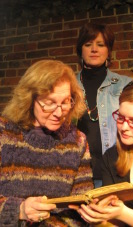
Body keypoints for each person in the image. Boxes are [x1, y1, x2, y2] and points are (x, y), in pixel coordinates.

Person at [0, 59, 94, 227]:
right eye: (49, 103)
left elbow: (78, 209)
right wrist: (19, 210)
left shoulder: (77, 141)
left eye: (65, 102)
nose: (59, 113)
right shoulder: (4, 133)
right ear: (30, 99)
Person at [72, 80, 133, 227]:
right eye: (121, 117)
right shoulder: (111, 157)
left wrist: (123, 213)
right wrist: (98, 216)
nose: (124, 127)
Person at [76, 22, 132, 188]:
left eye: (100, 45)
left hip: (114, 171)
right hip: (77, 173)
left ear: (108, 51)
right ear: (80, 50)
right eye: (88, 44)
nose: (94, 49)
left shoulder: (125, 85)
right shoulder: (67, 85)